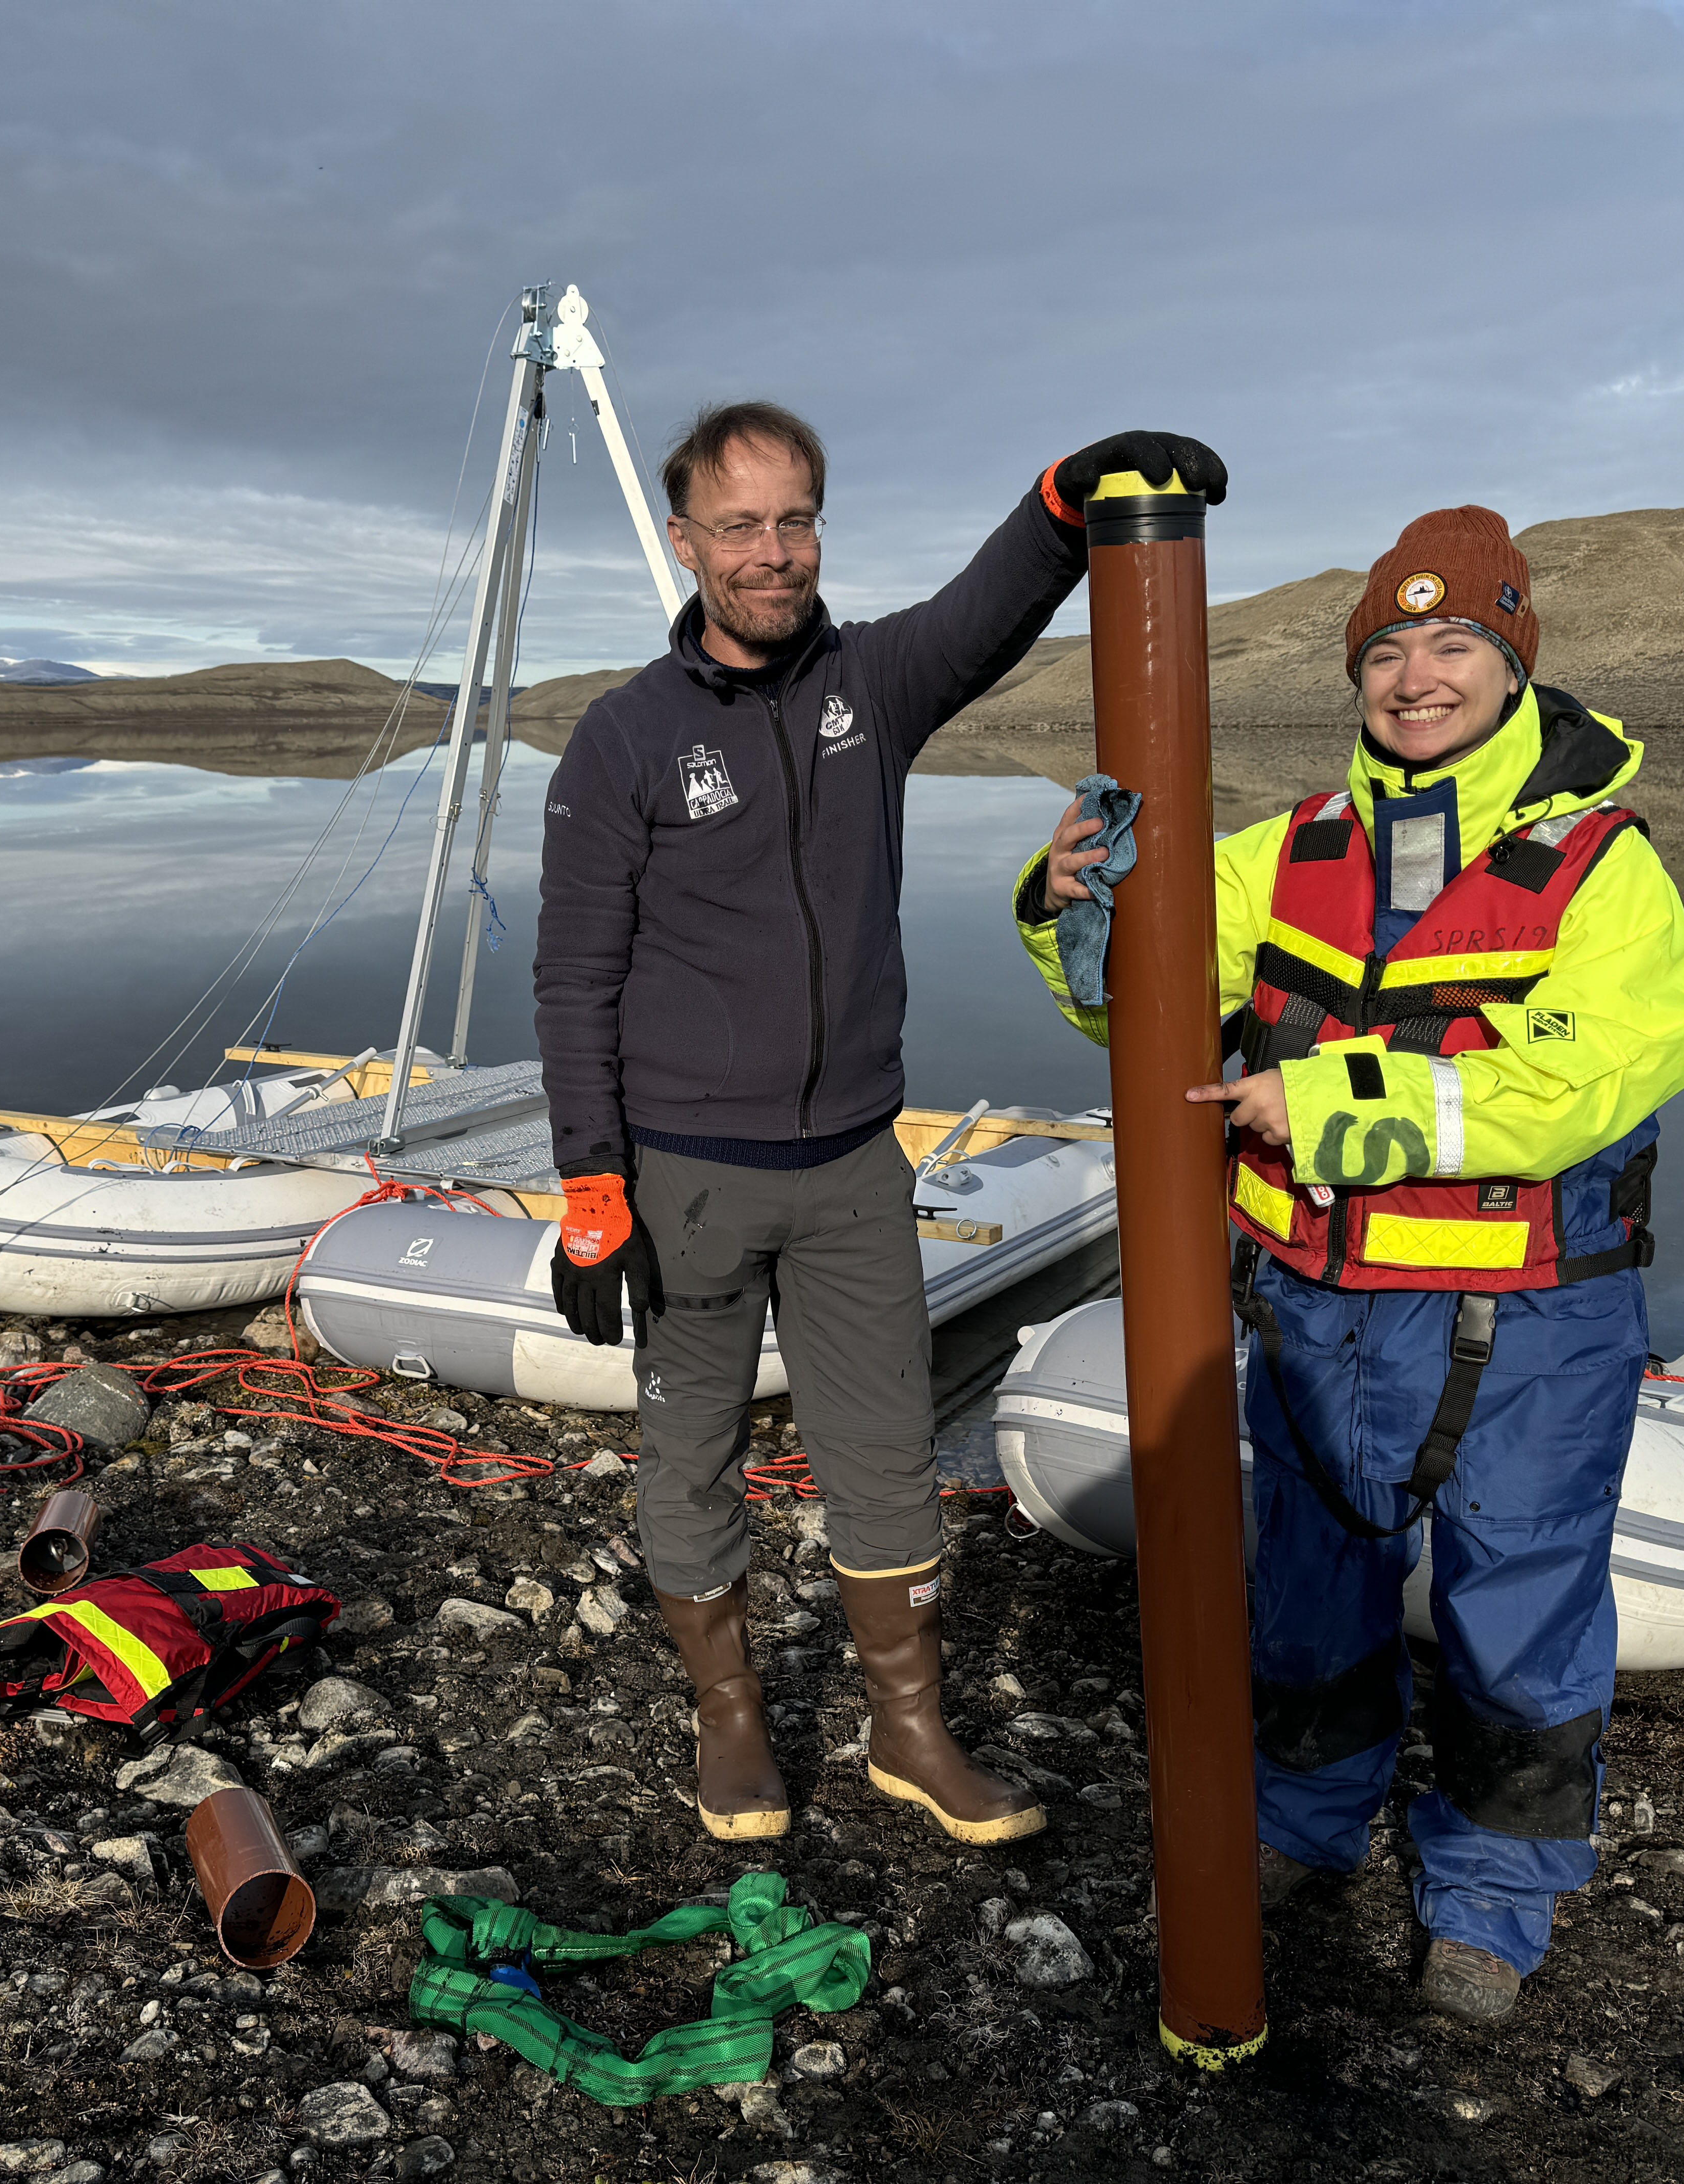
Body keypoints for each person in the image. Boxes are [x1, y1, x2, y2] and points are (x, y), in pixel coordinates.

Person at [1012, 504, 1684, 2020]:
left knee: (1519, 1610)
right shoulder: (1283, 856)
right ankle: (1309, 1824)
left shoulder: (1601, 865)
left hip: (1525, 1318)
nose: (1418, 675)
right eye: (1389, 648)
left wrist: (1334, 1104)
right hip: (1315, 1309)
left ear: (1515, 658)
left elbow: (1607, 1068)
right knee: (1313, 1591)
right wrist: (1076, 913)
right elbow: (1147, 1019)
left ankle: (1492, 1894)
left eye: (1454, 639)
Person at [535, 402, 1228, 1849]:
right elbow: (576, 974)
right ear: (686, 541)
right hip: (691, 1181)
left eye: (796, 521)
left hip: (855, 1162)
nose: (773, 555)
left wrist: (1063, 500)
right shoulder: (622, 741)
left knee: (887, 1455)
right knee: (690, 1455)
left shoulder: (873, 687)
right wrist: (594, 1186)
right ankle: (733, 1723)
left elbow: (982, 617)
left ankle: (909, 1727)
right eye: (741, 526)